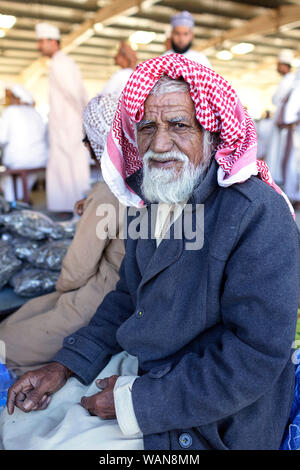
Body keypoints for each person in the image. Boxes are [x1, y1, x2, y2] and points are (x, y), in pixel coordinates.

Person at [1, 55, 299, 451]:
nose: (159, 144)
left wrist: (133, 402)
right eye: (147, 127)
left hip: (212, 412)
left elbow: (254, 357)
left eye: (179, 125)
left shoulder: (257, 213)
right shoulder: (155, 197)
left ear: (212, 134)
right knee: (22, 424)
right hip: (148, 368)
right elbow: (126, 298)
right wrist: (65, 364)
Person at [0, 93, 125, 378]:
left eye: (87, 138)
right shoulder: (128, 182)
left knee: (6, 344)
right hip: (105, 295)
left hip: (98, 305)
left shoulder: (109, 190)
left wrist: (62, 291)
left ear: (97, 141)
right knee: (23, 316)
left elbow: (76, 271)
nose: (84, 145)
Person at [35, 22, 90, 212]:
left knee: (73, 169)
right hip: (64, 126)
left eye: (41, 41)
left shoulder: (61, 62)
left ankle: (79, 210)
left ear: (53, 41)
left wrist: (85, 117)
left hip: (70, 126)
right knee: (65, 169)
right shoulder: (58, 62)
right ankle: (70, 210)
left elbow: (73, 93)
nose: (38, 46)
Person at [0, 84, 48, 201]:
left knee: (6, 181)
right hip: (40, 159)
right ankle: (21, 199)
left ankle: (14, 205)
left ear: (17, 98)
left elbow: (2, 138)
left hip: (19, 160)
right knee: (23, 180)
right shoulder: (35, 113)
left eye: (9, 97)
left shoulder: (10, 111)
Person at [265, 49, 295, 184]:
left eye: (279, 64)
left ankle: (277, 178)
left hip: (284, 122)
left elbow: (277, 100)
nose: (277, 68)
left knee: (281, 151)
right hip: (279, 119)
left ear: (284, 65)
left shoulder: (289, 80)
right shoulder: (286, 80)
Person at [278, 67, 300, 210]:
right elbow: (289, 118)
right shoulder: (295, 89)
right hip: (295, 133)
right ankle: (293, 197)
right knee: (293, 166)